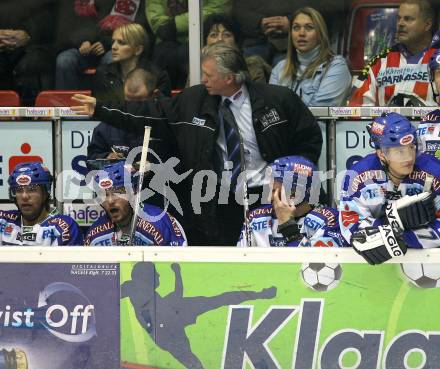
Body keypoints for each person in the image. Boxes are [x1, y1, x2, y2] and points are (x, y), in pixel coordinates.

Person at [72, 43, 322, 246]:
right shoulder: (194, 100)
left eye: (208, 74)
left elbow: (309, 138)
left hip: (269, 195)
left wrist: (293, 176)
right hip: (218, 197)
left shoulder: (278, 99)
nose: (203, 79)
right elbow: (151, 111)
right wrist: (102, 109)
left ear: (229, 77)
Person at [339, 113, 440, 265]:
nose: (408, 157)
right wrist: (387, 230)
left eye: (411, 147)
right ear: (381, 154)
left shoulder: (433, 171)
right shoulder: (358, 176)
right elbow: (351, 221)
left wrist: (405, 239)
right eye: (399, 151)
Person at [237, 155, 348, 247]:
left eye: (276, 191)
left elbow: (313, 269)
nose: (269, 197)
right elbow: (239, 264)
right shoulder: (255, 218)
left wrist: (288, 227)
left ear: (298, 191)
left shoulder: (329, 220)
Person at [349, 0, 437, 107]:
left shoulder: (438, 58)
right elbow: (355, 109)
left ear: (427, 25)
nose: (400, 24)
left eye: (408, 19)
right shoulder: (379, 62)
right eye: (398, 18)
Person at [54, 0, 153, 90]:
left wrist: (106, 44)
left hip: (113, 46)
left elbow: (135, 31)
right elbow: (68, 27)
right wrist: (85, 40)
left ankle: (112, 105)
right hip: (82, 46)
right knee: (65, 60)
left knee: (112, 60)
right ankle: (66, 107)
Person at [84, 162, 187, 246]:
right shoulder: (95, 234)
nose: (110, 201)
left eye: (118, 192)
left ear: (133, 192)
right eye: (103, 195)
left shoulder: (160, 222)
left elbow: (179, 265)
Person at [269, 7, 351, 107]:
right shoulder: (279, 69)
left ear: (320, 33)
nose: (301, 33)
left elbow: (319, 112)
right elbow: (271, 110)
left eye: (309, 27)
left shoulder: (336, 66)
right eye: (296, 28)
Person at [147, 0, 230, 88]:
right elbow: (156, 20)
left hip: (201, 35)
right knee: (162, 53)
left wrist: (176, 24)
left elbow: (216, 10)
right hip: (166, 40)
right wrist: (169, 26)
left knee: (189, 54)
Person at [0, 162, 83, 246]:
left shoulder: (63, 227)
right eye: (19, 190)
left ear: (46, 193)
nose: (24, 196)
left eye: (32, 189)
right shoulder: (3, 221)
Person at [92, 23, 171, 105]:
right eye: (113, 42)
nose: (113, 47)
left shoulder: (158, 76)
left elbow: (162, 111)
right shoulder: (103, 73)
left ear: (138, 50)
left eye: (121, 43)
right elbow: (98, 109)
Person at [0, 0, 55, 105]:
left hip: (34, 45)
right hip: (4, 46)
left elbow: (47, 15)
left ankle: (30, 116)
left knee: (29, 66)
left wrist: (27, 33)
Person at [204, 13, 271, 83]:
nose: (220, 39)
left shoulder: (253, 65)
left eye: (226, 35)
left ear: (236, 42)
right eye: (214, 35)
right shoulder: (195, 68)